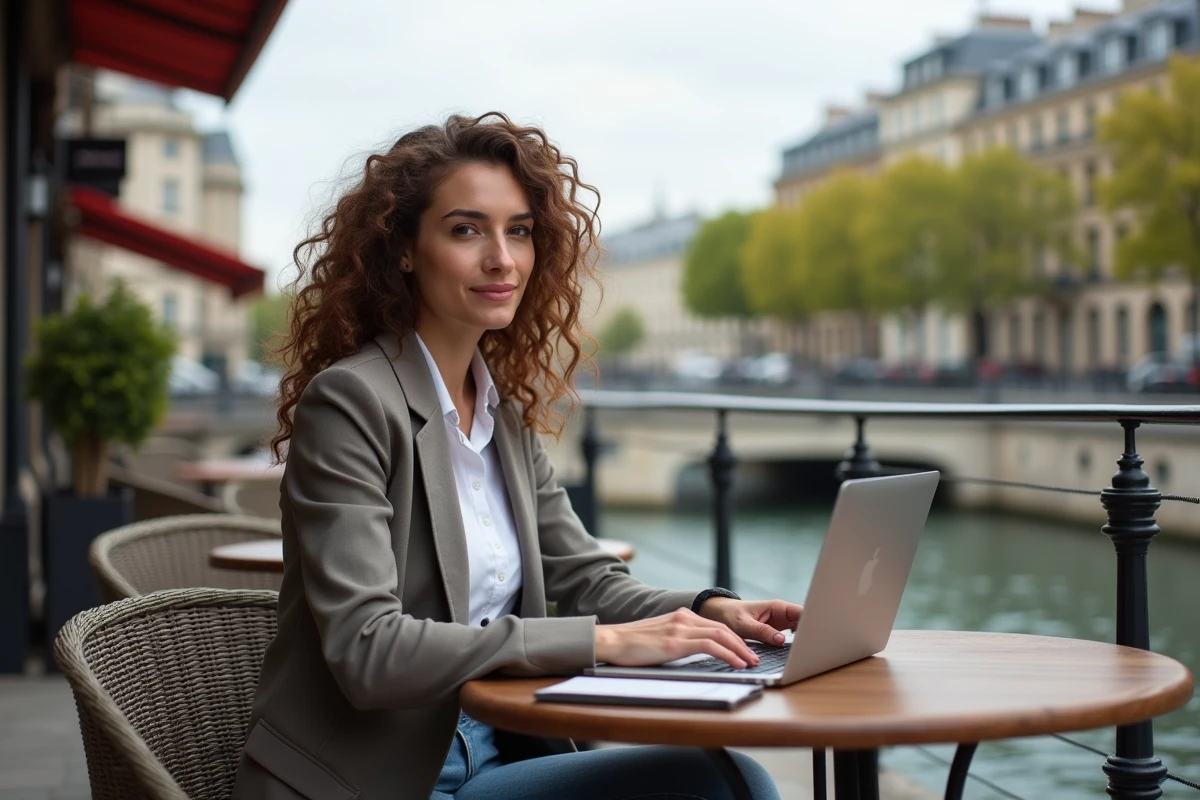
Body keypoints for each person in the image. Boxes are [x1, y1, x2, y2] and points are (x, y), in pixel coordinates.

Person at [232, 112, 800, 800]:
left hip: (499, 752)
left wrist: (708, 609)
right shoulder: (351, 402)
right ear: (404, 249)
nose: (502, 258)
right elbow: (368, 651)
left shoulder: (499, 412)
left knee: (725, 777)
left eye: (520, 231)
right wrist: (600, 644)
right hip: (376, 778)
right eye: (466, 229)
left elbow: (588, 580)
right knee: (723, 785)